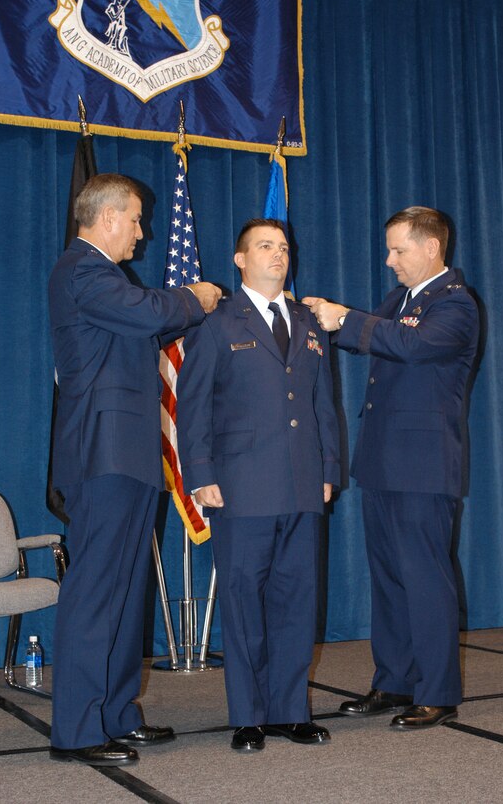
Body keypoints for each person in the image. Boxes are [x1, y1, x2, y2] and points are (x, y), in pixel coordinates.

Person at [48, 173, 221, 766]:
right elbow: (147, 309)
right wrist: (190, 298)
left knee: (126, 592)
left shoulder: (106, 278)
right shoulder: (81, 269)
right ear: (108, 218)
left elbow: (150, 322)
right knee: (96, 592)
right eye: (138, 219)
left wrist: (198, 313)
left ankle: (116, 713)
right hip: (103, 453)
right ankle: (76, 729)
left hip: (127, 452)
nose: (144, 233)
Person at [304, 206, 479, 731]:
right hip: (383, 460)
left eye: (399, 250)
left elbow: (410, 345)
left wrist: (347, 319)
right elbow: (371, 333)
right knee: (389, 578)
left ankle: (437, 691)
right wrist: (310, 320)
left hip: (423, 465)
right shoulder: (404, 300)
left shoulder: (456, 304)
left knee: (426, 579)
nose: (389, 260)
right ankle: (395, 679)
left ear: (431, 248)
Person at [176, 218, 340, 751]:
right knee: (245, 601)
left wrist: (328, 469)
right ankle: (248, 714)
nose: (278, 255)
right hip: (241, 483)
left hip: (300, 481)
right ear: (240, 259)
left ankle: (291, 710)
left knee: (297, 600)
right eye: (265, 247)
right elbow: (193, 407)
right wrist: (200, 474)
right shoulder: (218, 323)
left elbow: (321, 405)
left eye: (284, 247)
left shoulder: (308, 321)